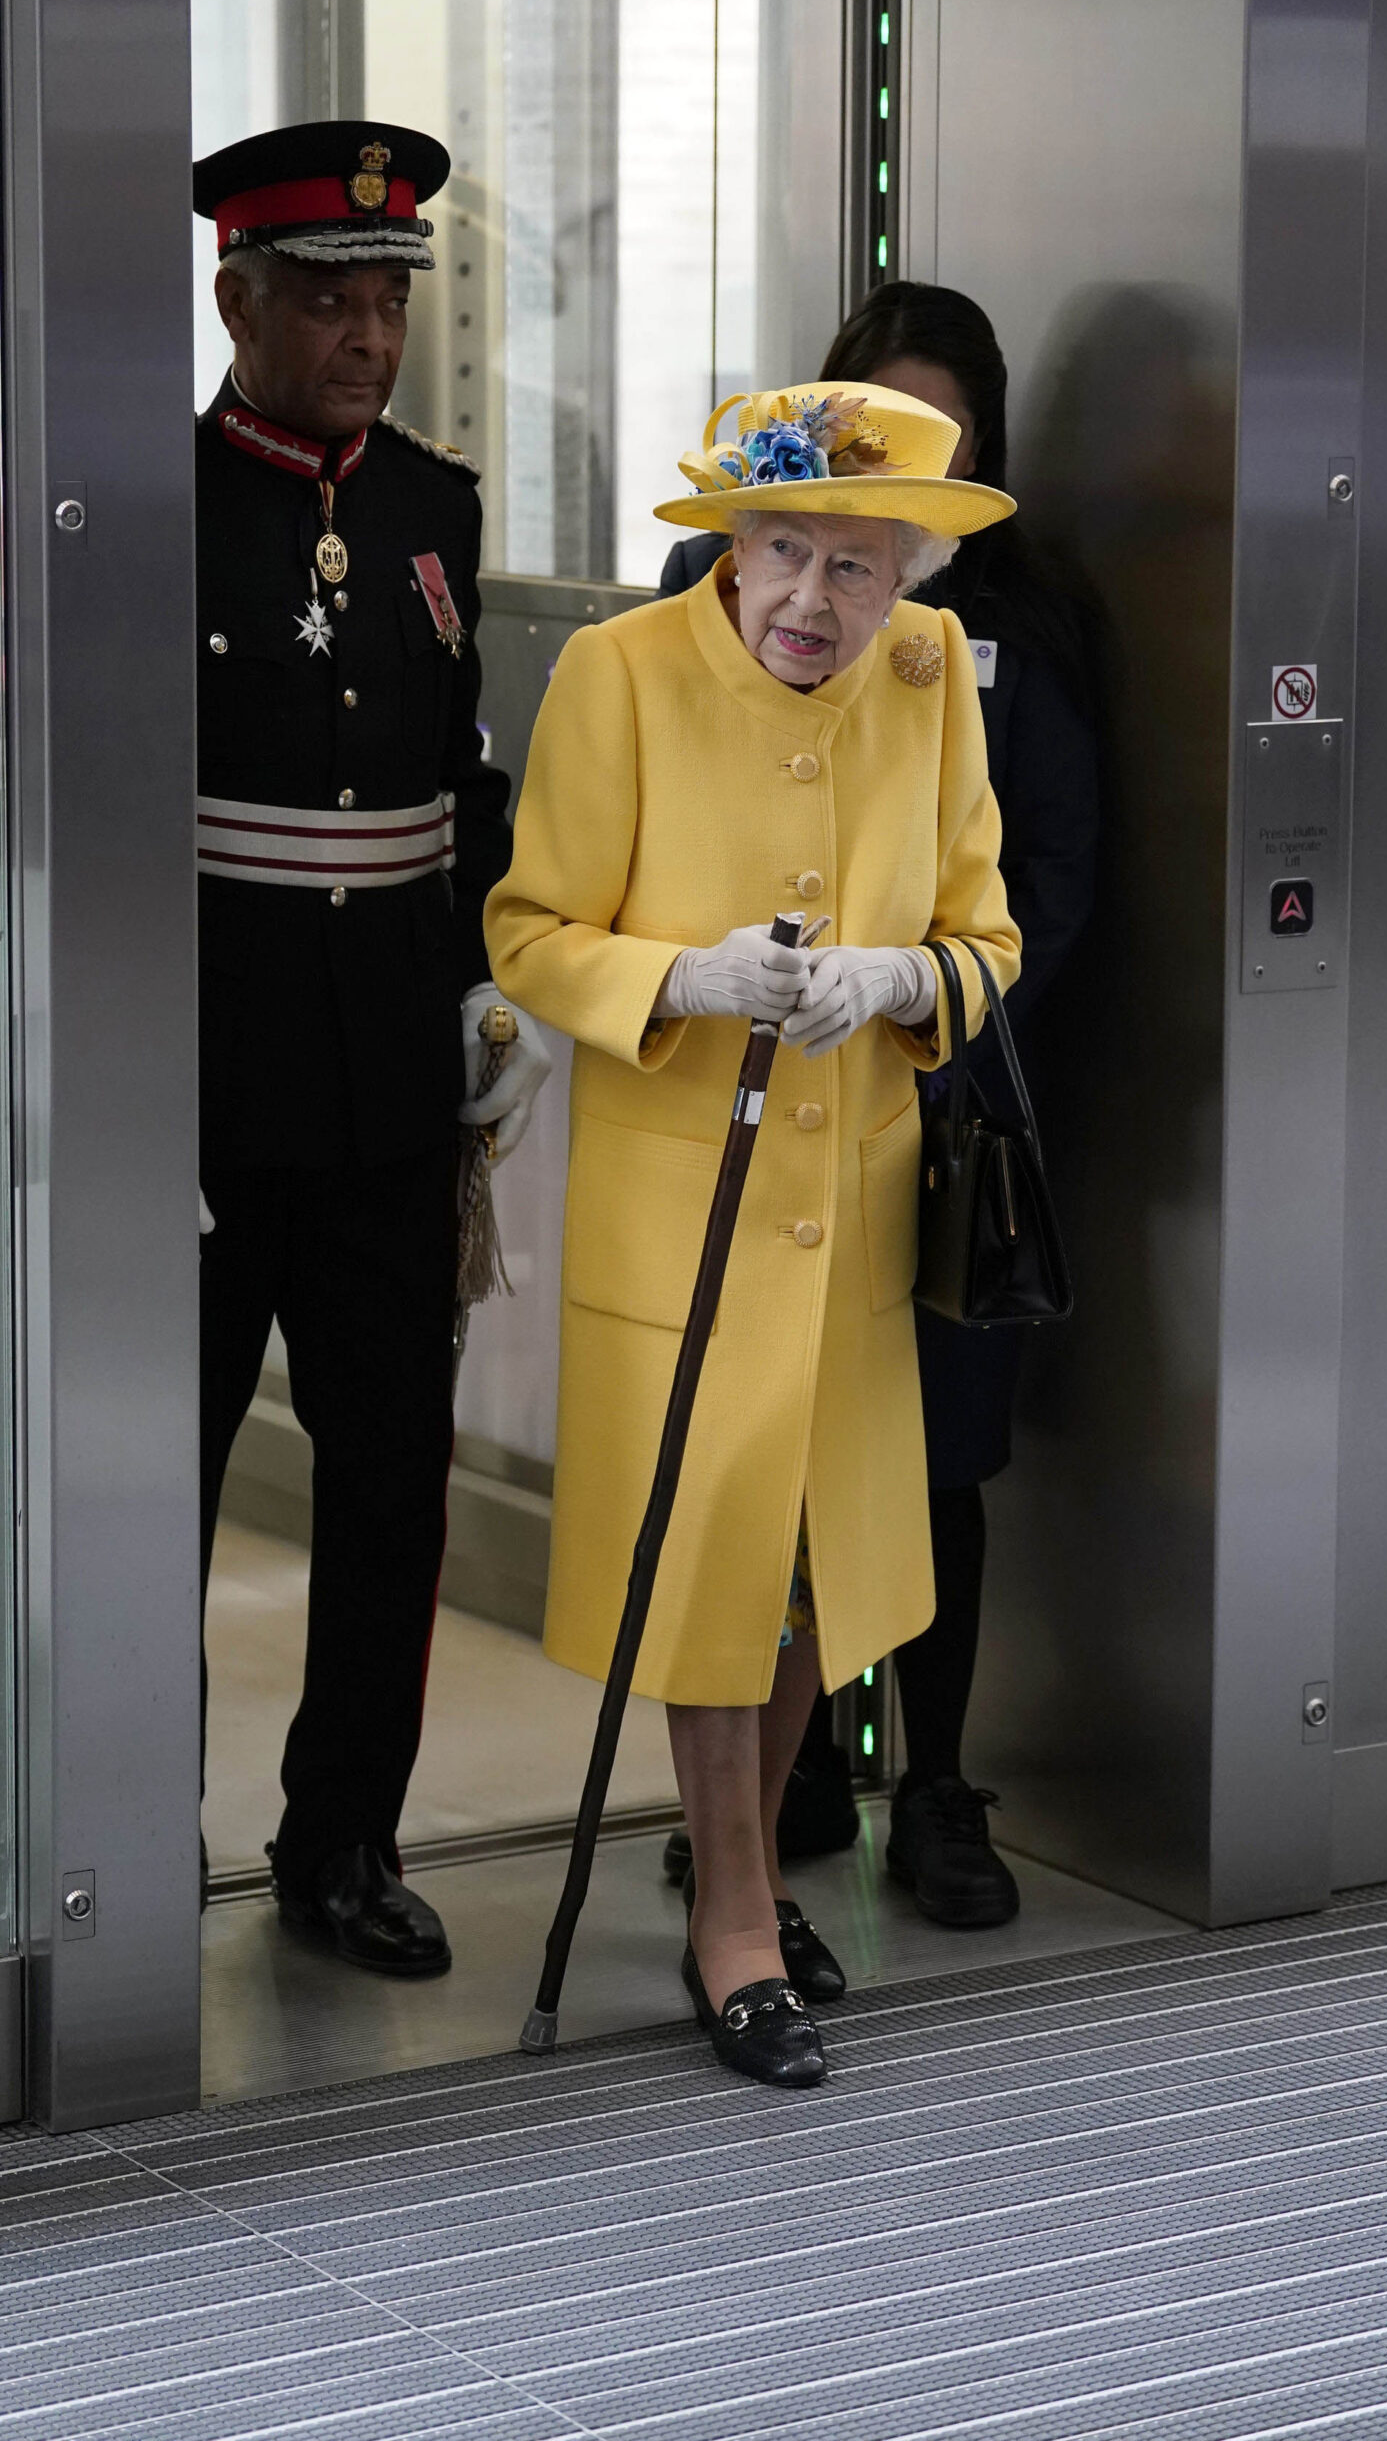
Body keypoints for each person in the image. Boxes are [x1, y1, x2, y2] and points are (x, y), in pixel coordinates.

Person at [487, 383, 1018, 2085]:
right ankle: (733, 1915)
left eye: (859, 570)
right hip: (681, 1208)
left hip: (849, 1207)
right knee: (711, 1555)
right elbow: (526, 931)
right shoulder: (621, 674)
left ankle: (747, 1877)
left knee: (810, 1571)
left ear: (909, 578)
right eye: (784, 551)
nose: (812, 601)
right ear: (732, 544)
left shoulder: (931, 687)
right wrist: (678, 978)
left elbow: (984, 935)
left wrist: (899, 980)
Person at [661, 284, 1100, 1928]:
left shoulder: (1018, 632)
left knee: (929, 1460)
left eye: (941, 441)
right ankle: (762, 1816)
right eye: (869, 429)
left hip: (946, 1098)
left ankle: (934, 1781)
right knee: (753, 1473)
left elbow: (1048, 878)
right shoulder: (725, 599)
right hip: (746, 1094)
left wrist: (920, 996)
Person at [191, 121, 550, 1975]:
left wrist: (486, 967)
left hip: (389, 1093)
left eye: (388, 294)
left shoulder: (429, 504)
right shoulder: (153, 500)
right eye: (326, 294)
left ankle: (341, 1841)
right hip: (199, 1090)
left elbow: (453, 777)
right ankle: (115, 1823)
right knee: (149, 1473)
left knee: (390, 1477)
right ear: (234, 294)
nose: (365, 329)